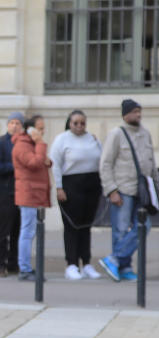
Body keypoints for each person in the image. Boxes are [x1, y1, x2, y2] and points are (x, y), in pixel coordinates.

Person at [99, 99, 157, 282]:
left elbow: (151, 163)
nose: (138, 115)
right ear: (125, 114)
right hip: (122, 189)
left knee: (143, 227)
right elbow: (105, 164)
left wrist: (155, 187)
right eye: (134, 111)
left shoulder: (145, 134)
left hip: (142, 191)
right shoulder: (117, 134)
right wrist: (111, 190)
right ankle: (122, 267)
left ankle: (115, 260)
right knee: (121, 230)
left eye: (139, 111)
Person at [50, 110, 102, 280]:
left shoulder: (92, 139)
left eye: (82, 123)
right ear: (69, 123)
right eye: (76, 123)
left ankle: (86, 263)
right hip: (71, 185)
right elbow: (55, 164)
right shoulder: (62, 139)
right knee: (72, 226)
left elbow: (101, 159)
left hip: (91, 185)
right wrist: (59, 187)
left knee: (86, 226)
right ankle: (71, 264)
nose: (79, 126)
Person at [12, 119, 52, 281]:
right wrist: (41, 144)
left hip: (35, 193)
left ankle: (26, 267)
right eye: (40, 129)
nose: (42, 132)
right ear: (30, 130)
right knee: (27, 232)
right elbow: (34, 163)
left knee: (31, 231)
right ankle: (25, 269)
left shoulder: (31, 144)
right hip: (28, 194)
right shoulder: (22, 144)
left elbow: (42, 161)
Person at [0, 112, 24, 277]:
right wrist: (15, 166)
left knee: (18, 230)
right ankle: (0, 264)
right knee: (4, 229)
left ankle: (14, 263)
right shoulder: (0, 143)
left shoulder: (24, 143)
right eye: (12, 122)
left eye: (18, 123)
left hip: (21, 193)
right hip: (5, 192)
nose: (15, 125)